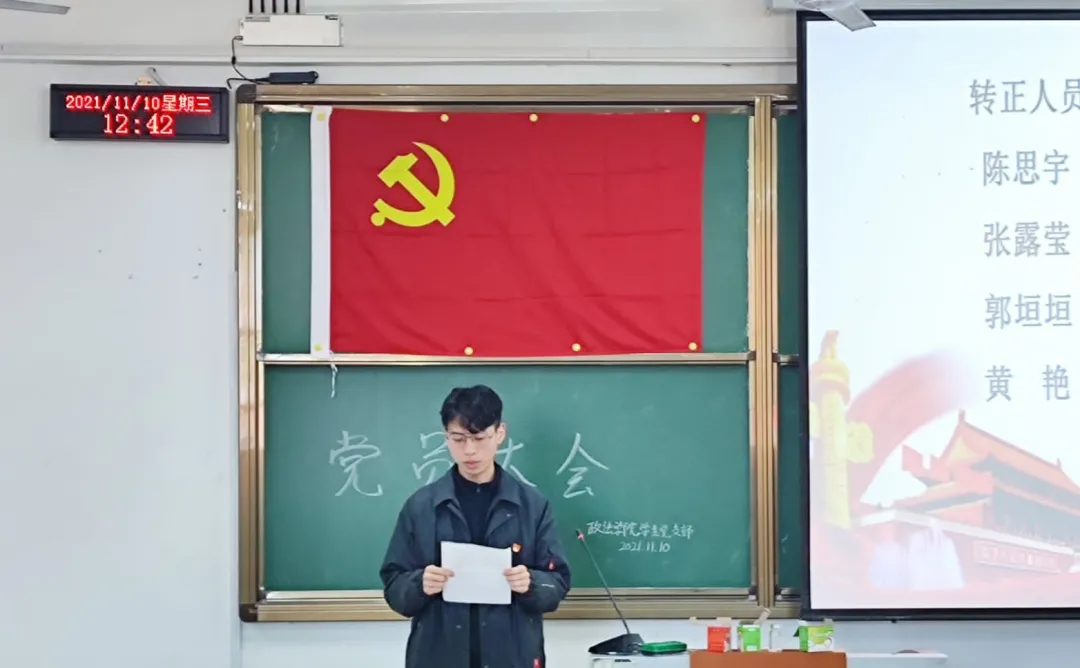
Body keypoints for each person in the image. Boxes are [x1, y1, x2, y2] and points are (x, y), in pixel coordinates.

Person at [380, 385, 571, 668]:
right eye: (458, 439)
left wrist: (531, 583)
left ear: (500, 433)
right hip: (439, 657)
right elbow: (394, 588)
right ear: (446, 437)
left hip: (511, 657)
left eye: (479, 438)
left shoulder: (532, 505)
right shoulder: (421, 507)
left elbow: (557, 583)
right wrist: (419, 584)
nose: (469, 450)